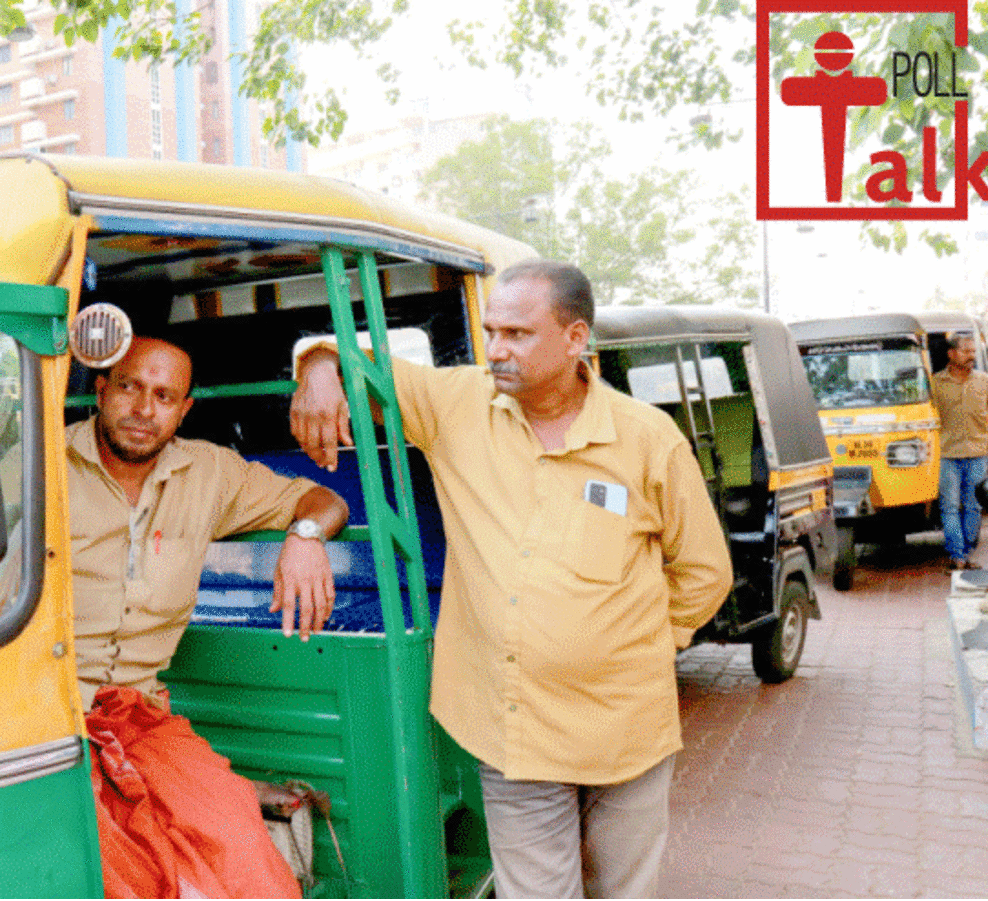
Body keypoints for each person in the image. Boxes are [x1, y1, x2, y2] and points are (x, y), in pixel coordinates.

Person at [289, 259, 732, 898]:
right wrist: (321, 369)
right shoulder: (457, 404)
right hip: (514, 726)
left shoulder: (645, 439)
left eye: (517, 334)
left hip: (627, 729)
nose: (495, 349)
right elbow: (351, 359)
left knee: (626, 889)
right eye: (491, 331)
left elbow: (703, 571)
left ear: (576, 338)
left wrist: (643, 646)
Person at [69, 336, 349, 898]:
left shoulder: (210, 472)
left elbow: (323, 500)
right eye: (129, 387)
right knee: (109, 868)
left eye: (165, 396)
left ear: (185, 409)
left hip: (141, 715)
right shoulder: (38, 466)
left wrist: (306, 535)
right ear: (100, 390)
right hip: (46, 718)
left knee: (241, 847)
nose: (145, 410)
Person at [930, 334, 988, 570]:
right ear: (951, 354)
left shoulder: (984, 381)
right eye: (966, 351)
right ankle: (958, 555)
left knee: (974, 506)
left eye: (974, 351)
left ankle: (965, 552)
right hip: (946, 455)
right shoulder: (934, 383)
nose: (972, 356)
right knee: (950, 506)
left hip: (977, 454)